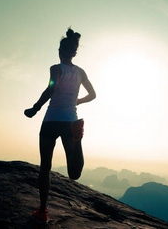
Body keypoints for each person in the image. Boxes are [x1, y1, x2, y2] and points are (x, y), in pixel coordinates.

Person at [24, 28, 96, 224]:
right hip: (70, 122)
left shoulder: (55, 68)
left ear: (59, 51)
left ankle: (42, 211)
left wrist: (35, 108)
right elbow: (93, 95)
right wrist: (77, 101)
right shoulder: (81, 72)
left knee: (45, 168)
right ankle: (78, 137)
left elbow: (51, 88)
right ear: (74, 52)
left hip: (51, 120)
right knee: (74, 174)